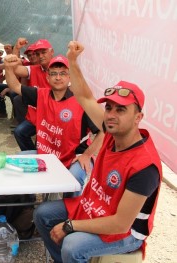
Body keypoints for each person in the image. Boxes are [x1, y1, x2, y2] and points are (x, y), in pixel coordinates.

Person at [33, 41, 162, 263]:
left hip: (127, 231)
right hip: (94, 207)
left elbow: (120, 223)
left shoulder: (145, 166)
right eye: (109, 107)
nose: (111, 114)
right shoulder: (113, 132)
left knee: (72, 245)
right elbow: (84, 97)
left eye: (121, 109)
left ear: (138, 118)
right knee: (42, 214)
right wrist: (72, 61)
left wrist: (70, 225)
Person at [5, 54, 104, 198]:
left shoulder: (81, 102)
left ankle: (70, 212)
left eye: (63, 73)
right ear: (47, 77)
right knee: (18, 162)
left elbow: (104, 131)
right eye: (54, 74)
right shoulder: (40, 94)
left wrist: (87, 155)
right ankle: (29, 202)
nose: (58, 77)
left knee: (74, 179)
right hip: (47, 155)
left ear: (70, 77)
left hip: (74, 157)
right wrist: (8, 67)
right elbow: (15, 86)